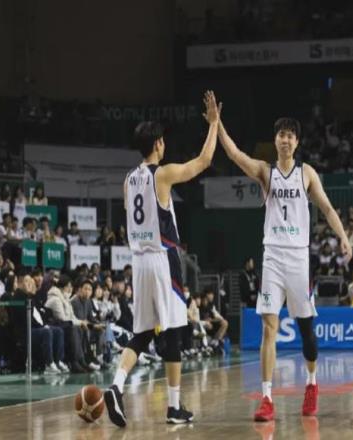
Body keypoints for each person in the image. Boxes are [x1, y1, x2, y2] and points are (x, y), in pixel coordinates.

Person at [218, 113, 352, 421]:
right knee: (269, 326)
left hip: (298, 259)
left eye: (291, 135)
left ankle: (311, 383)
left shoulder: (307, 173)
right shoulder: (266, 172)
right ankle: (266, 398)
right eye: (281, 134)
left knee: (306, 330)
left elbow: (327, 208)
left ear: (297, 142)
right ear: (275, 140)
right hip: (273, 258)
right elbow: (234, 154)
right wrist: (217, 124)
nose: (286, 139)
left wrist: (343, 236)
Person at [104, 90, 220, 427]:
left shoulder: (128, 180)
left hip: (138, 262)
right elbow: (204, 161)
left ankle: (116, 385)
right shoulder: (163, 174)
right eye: (163, 140)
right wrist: (213, 124)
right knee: (172, 334)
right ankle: (173, 407)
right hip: (161, 259)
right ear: (157, 144)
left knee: (142, 332)